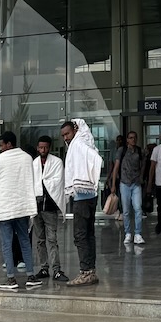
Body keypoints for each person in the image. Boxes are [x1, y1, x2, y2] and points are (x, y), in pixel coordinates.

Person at [0, 132, 39, 291]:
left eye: (2, 145)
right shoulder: (26, 157)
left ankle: (11, 279)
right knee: (25, 241)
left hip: (6, 207)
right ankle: (31, 276)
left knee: (7, 243)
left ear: (9, 144)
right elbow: (29, 180)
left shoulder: (2, 160)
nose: (1, 148)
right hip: (22, 207)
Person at [61, 118, 104, 286]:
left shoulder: (78, 144)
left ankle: (85, 272)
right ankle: (90, 271)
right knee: (88, 235)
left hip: (83, 197)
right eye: (63, 135)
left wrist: (82, 180)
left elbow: (95, 160)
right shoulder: (84, 141)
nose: (65, 138)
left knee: (80, 236)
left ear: (75, 129)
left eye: (67, 133)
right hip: (89, 195)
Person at [32, 135, 66, 281]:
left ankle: (57, 270)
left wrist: (43, 182)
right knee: (40, 239)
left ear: (49, 148)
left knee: (52, 239)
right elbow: (32, 182)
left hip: (50, 207)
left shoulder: (57, 162)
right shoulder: (34, 164)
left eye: (45, 147)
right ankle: (43, 268)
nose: (43, 150)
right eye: (40, 147)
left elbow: (57, 183)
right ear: (37, 148)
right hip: (36, 206)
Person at [111, 130, 146, 245]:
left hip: (136, 183)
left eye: (134, 137)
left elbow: (143, 166)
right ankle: (127, 233)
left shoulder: (139, 151)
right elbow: (116, 167)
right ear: (127, 140)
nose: (133, 140)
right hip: (124, 183)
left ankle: (138, 233)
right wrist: (113, 184)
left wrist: (141, 177)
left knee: (138, 208)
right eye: (130, 137)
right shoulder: (122, 151)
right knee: (126, 210)